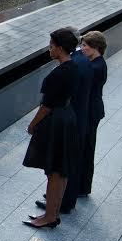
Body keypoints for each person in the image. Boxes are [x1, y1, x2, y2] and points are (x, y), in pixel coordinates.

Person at [23, 29, 80, 228]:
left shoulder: (59, 73)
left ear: (60, 48)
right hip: (67, 117)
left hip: (56, 121)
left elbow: (46, 106)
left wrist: (32, 124)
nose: (49, 48)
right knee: (60, 170)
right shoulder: (74, 66)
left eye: (52, 45)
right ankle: (53, 213)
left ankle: (49, 217)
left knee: (54, 171)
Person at [55, 26, 92, 214]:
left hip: (72, 119)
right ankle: (61, 199)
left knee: (64, 164)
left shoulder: (74, 64)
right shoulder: (83, 59)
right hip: (80, 116)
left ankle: (61, 202)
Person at [78, 30, 109, 197]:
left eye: (84, 46)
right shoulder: (97, 63)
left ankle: (81, 187)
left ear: (95, 48)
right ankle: (82, 186)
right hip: (93, 109)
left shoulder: (94, 67)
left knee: (86, 149)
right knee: (87, 148)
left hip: (90, 112)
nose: (81, 48)